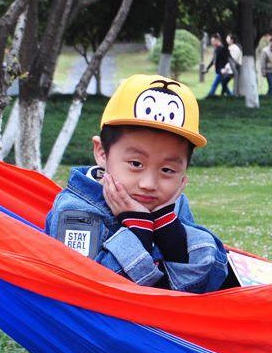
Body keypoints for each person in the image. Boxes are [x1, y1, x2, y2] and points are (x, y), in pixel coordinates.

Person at [46, 74, 229, 293]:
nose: (149, 184)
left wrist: (168, 229)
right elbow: (81, 290)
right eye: (136, 163)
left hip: (160, 324)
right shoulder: (76, 212)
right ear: (102, 152)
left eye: (168, 170)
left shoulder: (171, 204)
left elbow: (207, 284)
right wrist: (139, 230)